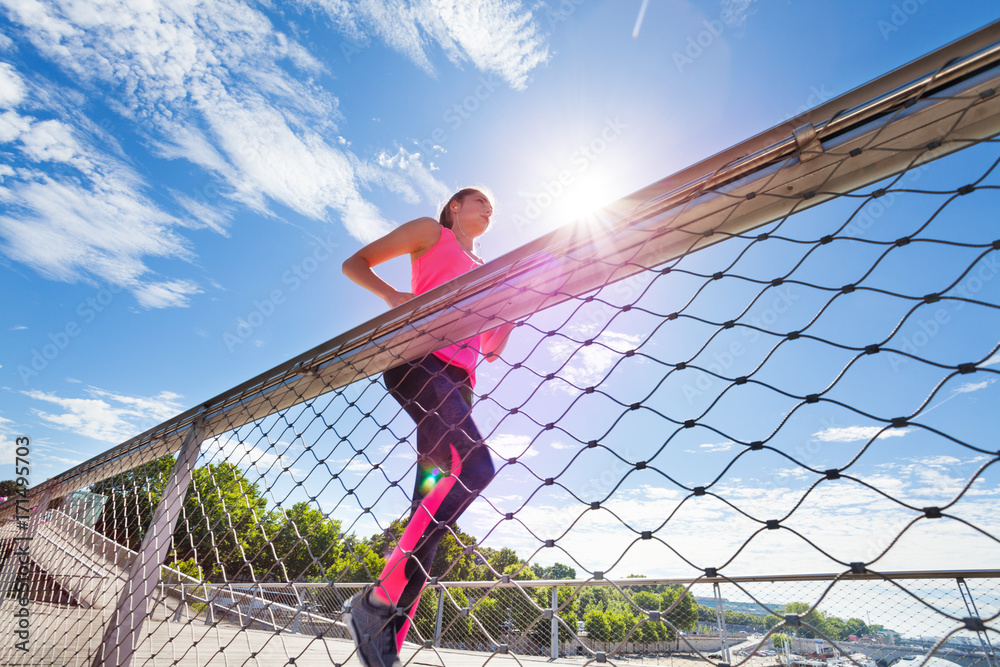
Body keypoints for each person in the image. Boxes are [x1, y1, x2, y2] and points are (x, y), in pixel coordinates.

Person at [341, 187, 514, 667]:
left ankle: (385, 645)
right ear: (455, 206)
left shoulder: (489, 271)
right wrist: (392, 295)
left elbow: (491, 348)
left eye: (492, 206)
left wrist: (511, 311)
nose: (488, 207)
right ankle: (373, 605)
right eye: (478, 199)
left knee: (430, 510)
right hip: (419, 362)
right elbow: (354, 263)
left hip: (460, 384)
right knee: (476, 468)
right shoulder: (430, 233)